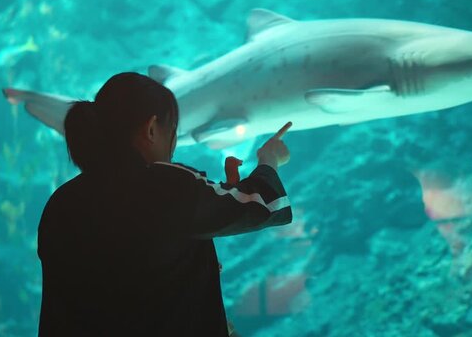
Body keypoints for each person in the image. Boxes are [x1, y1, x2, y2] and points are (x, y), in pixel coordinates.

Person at [37, 72, 293, 336]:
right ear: (151, 129)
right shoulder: (166, 185)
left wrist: (226, 193)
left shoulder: (61, 203)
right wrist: (268, 158)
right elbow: (267, 205)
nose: (172, 148)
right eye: (172, 133)